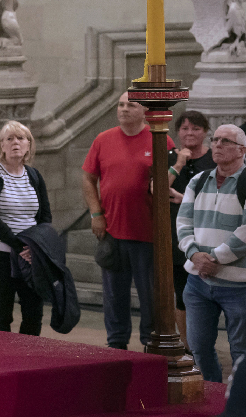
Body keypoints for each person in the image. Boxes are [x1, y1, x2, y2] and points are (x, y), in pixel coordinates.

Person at [176, 123, 246, 382]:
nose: (217, 144)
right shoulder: (198, 180)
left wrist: (214, 259)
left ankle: (242, 401)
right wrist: (195, 255)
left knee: (241, 350)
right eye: (216, 139)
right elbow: (183, 222)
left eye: (225, 141)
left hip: (238, 284)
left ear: (242, 150)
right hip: (198, 281)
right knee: (199, 348)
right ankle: (211, 396)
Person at [82, 91, 174, 349]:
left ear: (144, 110)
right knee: (114, 296)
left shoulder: (161, 140)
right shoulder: (103, 139)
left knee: (150, 298)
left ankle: (150, 344)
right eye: (120, 104)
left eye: (130, 105)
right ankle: (117, 344)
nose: (123, 109)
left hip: (148, 234)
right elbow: (88, 178)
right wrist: (96, 213)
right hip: (111, 231)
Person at [0, 120, 51, 335]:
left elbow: (44, 217)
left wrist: (35, 247)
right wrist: (19, 246)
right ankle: (3, 359)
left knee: (34, 312)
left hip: (30, 255)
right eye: (9, 139)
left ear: (29, 145)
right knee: (2, 312)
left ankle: (28, 359)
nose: (15, 142)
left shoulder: (34, 176)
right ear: (1, 146)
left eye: (21, 138)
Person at [167, 110, 215, 348]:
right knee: (182, 292)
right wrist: (178, 164)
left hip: (209, 232)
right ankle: (187, 346)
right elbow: (157, 188)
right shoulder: (169, 157)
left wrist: (184, 198)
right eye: (184, 128)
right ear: (178, 132)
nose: (189, 133)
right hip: (179, 236)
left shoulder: (214, 159)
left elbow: (218, 196)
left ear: (205, 132)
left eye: (195, 128)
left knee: (209, 292)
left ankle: (205, 343)